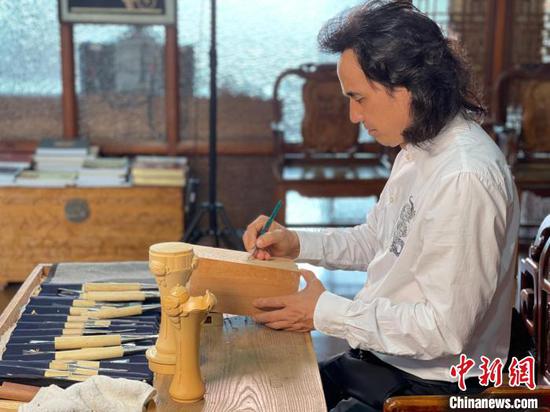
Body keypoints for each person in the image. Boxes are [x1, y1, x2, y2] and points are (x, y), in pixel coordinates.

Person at [242, 1, 520, 411]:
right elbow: (379, 242)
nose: (353, 115)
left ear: (407, 86)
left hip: (437, 388)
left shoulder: (465, 176)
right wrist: (295, 243)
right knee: (268, 396)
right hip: (388, 360)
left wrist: (327, 312)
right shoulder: (419, 145)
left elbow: (443, 332)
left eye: (359, 98)